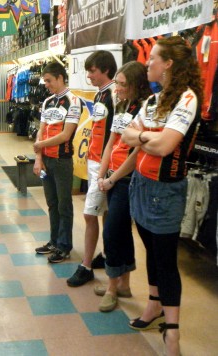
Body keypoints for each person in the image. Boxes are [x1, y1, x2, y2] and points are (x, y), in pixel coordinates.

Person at [122, 36, 203, 356]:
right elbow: (130, 135)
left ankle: (173, 333)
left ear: (168, 63)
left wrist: (143, 137)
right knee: (151, 252)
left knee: (166, 260)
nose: (147, 62)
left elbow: (166, 146)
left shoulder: (187, 98)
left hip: (165, 190)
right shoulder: (154, 102)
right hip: (140, 184)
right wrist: (147, 138)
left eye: (153, 57)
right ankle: (154, 305)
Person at [94, 61, 152, 312]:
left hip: (127, 179)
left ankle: (111, 286)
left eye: (122, 84)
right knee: (120, 231)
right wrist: (101, 173)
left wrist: (113, 178)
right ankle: (123, 283)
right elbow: (110, 143)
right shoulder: (121, 105)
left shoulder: (144, 110)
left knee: (112, 231)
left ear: (136, 85)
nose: (117, 88)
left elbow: (136, 154)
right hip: (112, 176)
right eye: (116, 83)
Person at [67, 50, 117, 287]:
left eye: (93, 71)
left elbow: (117, 133)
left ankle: (86, 265)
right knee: (103, 211)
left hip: (105, 164)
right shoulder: (100, 94)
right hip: (95, 160)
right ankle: (106, 255)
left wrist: (107, 164)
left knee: (89, 213)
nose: (89, 76)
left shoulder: (115, 93)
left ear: (106, 69)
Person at [32, 61, 82, 263]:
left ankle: (64, 246)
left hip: (62, 160)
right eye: (44, 81)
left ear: (60, 78)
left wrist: (40, 144)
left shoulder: (74, 101)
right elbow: (40, 130)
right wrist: (38, 157)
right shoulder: (47, 102)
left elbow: (66, 135)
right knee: (52, 203)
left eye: (49, 80)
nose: (46, 84)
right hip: (46, 160)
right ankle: (54, 241)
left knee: (64, 204)